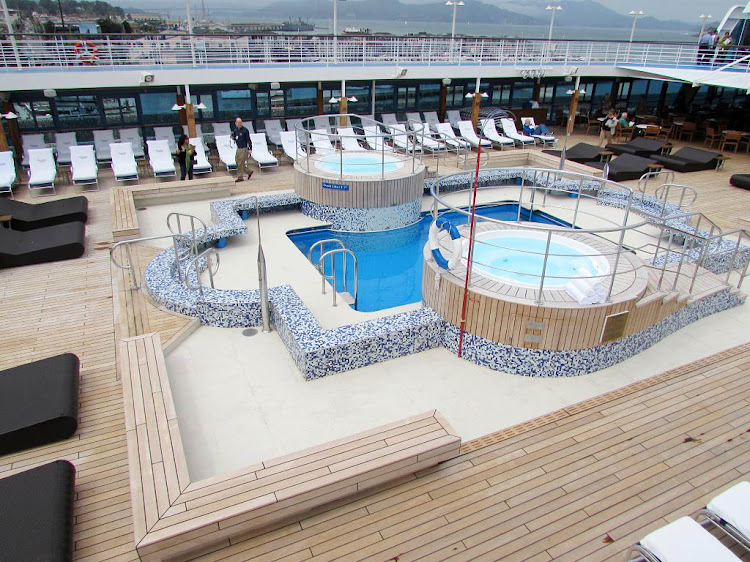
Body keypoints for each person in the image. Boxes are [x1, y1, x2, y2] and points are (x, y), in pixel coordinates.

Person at [231, 117, 252, 182]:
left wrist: (250, 149)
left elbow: (248, 140)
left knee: (240, 162)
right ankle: (249, 171)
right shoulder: (235, 130)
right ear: (236, 123)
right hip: (238, 148)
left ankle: (240, 177)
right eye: (238, 122)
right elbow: (233, 136)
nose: (239, 124)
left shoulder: (245, 130)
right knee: (237, 161)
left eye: (240, 122)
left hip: (244, 148)